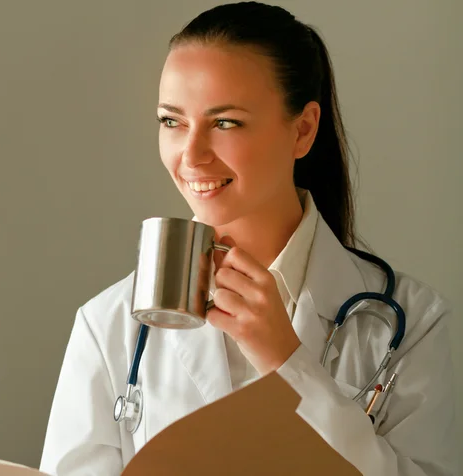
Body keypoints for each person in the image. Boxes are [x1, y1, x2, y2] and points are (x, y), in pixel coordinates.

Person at [39, 2, 458, 475]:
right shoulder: (109, 326)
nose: (191, 156)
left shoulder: (414, 323)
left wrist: (289, 363)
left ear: (302, 130)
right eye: (171, 121)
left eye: (225, 123)